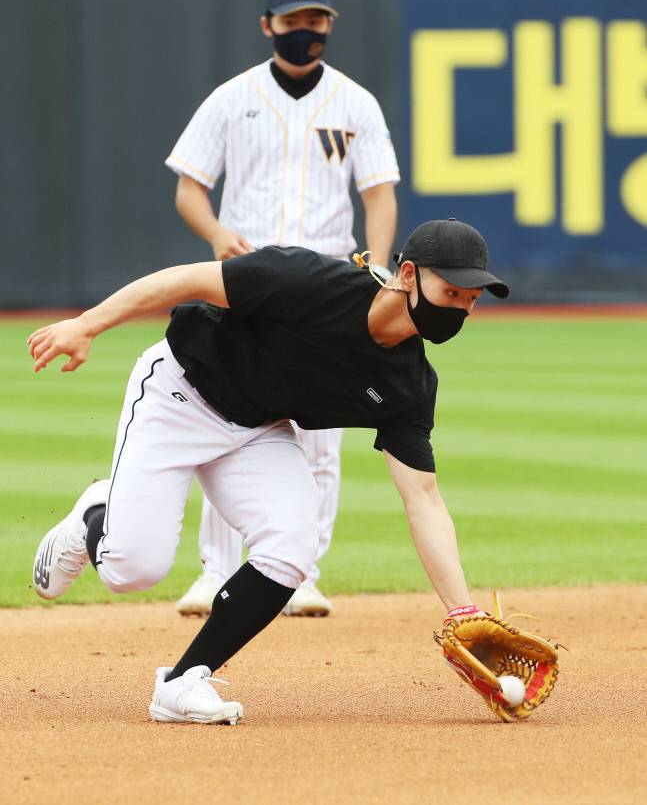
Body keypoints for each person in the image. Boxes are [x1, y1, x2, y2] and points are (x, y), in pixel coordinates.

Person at [30, 218, 509, 726]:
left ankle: (183, 681)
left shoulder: (408, 385)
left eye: (471, 300)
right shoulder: (307, 280)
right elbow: (187, 279)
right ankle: (97, 514)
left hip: (256, 430)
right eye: (451, 291)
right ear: (408, 274)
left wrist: (463, 613)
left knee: (292, 544)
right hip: (180, 393)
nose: (459, 308)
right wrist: (87, 325)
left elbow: (424, 501)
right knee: (133, 570)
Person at [166, 0, 399, 618]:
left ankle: (300, 573)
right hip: (250, 284)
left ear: (329, 24)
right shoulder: (230, 98)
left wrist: (375, 271)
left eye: (316, 19)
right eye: (294, 21)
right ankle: (215, 571)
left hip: (329, 286)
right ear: (267, 25)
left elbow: (378, 195)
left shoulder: (355, 103)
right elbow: (189, 187)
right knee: (225, 424)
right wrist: (216, 234)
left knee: (321, 436)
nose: (306, 30)